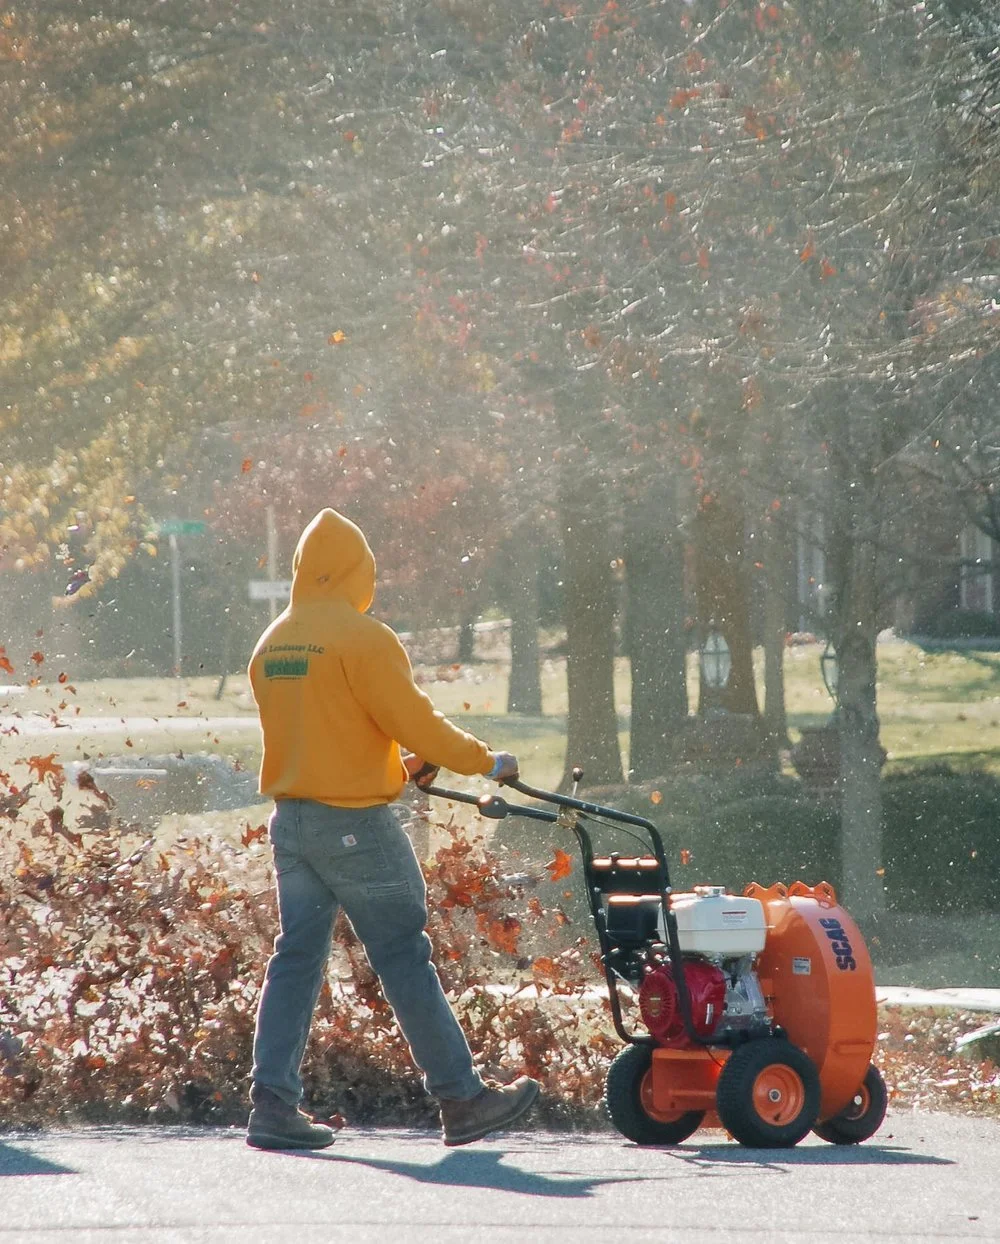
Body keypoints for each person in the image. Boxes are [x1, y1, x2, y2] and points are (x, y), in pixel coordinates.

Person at [245, 507, 539, 1151]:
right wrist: (486, 762)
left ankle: (272, 1104)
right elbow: (418, 721)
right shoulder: (363, 638)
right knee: (404, 955)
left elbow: (321, 732)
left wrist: (395, 767)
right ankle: (462, 1099)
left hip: (292, 823)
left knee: (295, 957)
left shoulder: (273, 641)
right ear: (357, 572)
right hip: (355, 827)